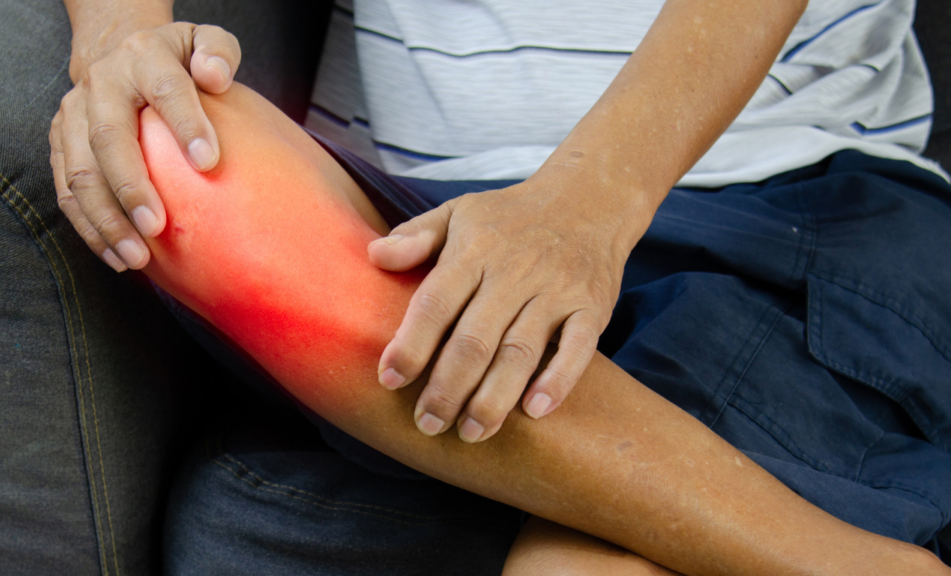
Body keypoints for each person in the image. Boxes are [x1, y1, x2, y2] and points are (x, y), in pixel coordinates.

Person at [137, 80, 951, 575]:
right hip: (422, 207)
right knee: (167, 151)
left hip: (780, 187)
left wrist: (588, 205)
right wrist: (117, 37)